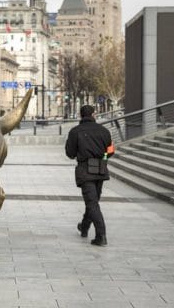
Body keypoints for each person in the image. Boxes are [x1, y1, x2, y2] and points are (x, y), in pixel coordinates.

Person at [65, 105, 115, 246]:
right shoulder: (104, 131)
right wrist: (102, 156)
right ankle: (84, 227)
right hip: (100, 169)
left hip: (85, 170)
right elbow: (110, 151)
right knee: (93, 202)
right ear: (94, 114)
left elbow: (70, 153)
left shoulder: (75, 132)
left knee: (92, 203)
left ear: (81, 115)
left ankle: (101, 235)